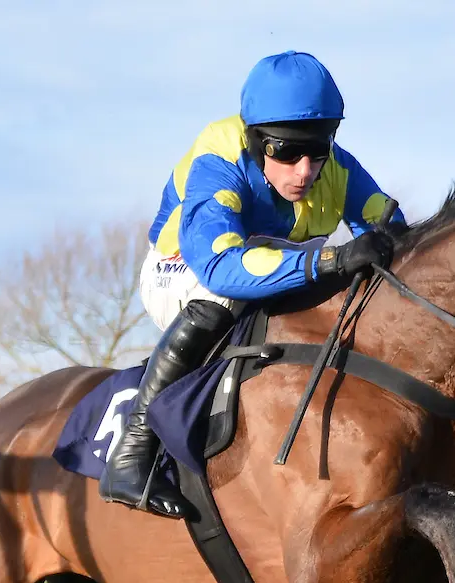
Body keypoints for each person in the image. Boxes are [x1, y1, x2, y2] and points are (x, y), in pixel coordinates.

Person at [99, 50, 406, 518]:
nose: (305, 170)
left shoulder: (338, 168)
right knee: (227, 295)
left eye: (317, 150)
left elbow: (395, 237)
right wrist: (333, 258)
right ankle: (132, 452)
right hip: (185, 272)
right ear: (255, 139)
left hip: (269, 268)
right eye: (286, 152)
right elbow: (221, 266)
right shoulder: (219, 158)